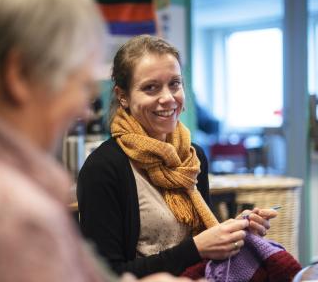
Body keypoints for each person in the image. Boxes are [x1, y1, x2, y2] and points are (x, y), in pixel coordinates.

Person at [0, 0, 190, 282]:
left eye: (174, 84)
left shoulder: (31, 191)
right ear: (20, 76)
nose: (85, 110)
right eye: (78, 83)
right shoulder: (20, 215)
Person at [77, 35, 278, 279]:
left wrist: (236, 230)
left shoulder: (192, 157)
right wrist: (197, 249)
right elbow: (104, 274)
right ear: (123, 96)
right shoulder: (103, 168)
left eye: (175, 84)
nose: (168, 98)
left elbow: (203, 235)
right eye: (150, 87)